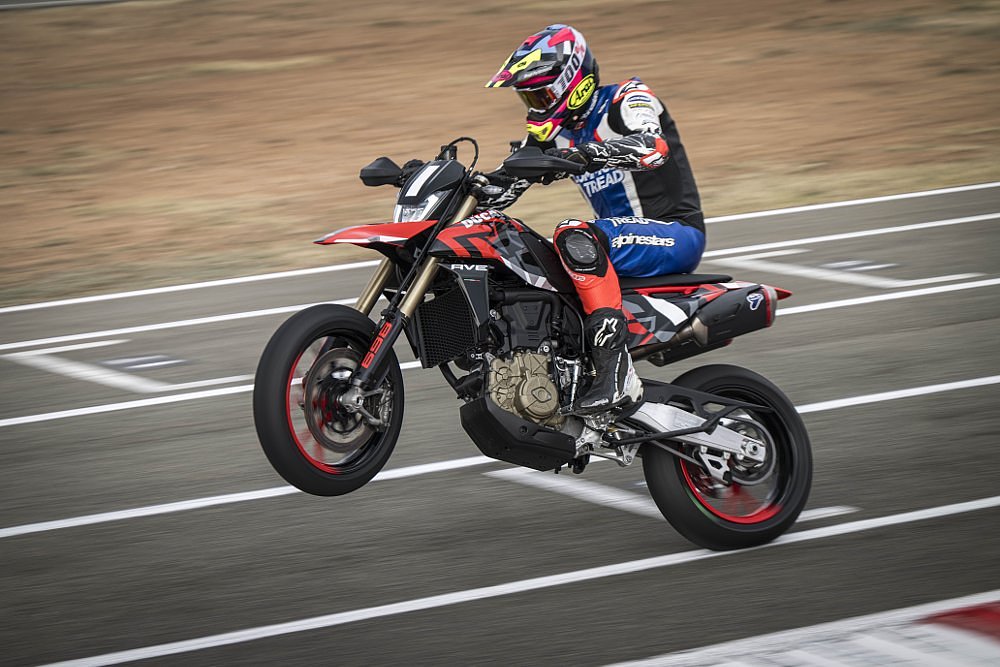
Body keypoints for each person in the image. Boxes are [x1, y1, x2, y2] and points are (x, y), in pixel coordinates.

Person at [482, 23, 706, 414]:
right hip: (617, 245)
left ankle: (615, 371)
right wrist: (451, 182)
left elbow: (653, 147)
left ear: (574, 81)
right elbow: (505, 184)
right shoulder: (554, 134)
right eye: (528, 97)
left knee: (572, 233)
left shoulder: (628, 97)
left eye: (541, 93)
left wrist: (585, 155)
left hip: (675, 233)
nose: (534, 105)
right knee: (527, 257)